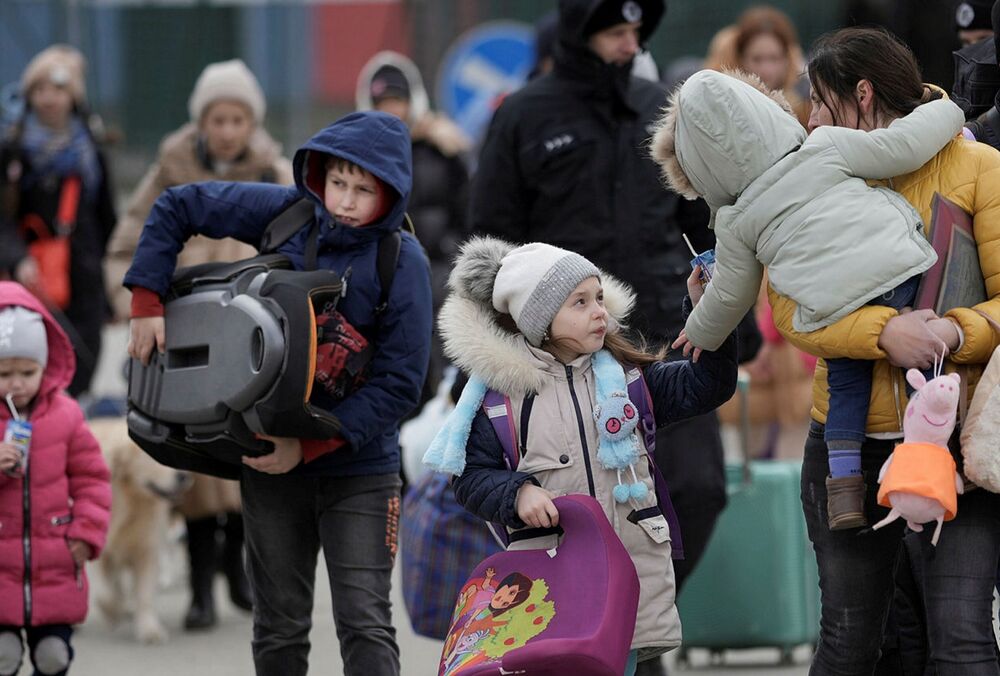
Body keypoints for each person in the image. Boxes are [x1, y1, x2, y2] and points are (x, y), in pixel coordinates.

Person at [469, 13, 749, 674]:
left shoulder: (660, 109)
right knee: (573, 512)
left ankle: (629, 626)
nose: (632, 43)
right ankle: (591, 638)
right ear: (578, 32)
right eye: (614, 31)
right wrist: (491, 360)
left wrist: (728, 313)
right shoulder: (524, 117)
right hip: (554, 357)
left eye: (638, 30)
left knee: (701, 488)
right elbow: (489, 244)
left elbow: (702, 224)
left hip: (657, 347)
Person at [123, 111, 432, 676]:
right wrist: (145, 299)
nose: (344, 199)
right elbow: (178, 204)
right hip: (269, 465)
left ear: (390, 194)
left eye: (363, 190)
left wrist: (310, 448)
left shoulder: (401, 260)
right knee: (279, 627)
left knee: (364, 623)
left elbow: (400, 384)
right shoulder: (289, 212)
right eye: (338, 182)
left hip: (360, 472)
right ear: (319, 175)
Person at [767, 27, 1000, 675]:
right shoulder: (810, 174)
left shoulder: (978, 167)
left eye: (819, 101)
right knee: (850, 639)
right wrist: (882, 334)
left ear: (861, 95)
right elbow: (789, 309)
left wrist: (954, 330)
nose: (810, 118)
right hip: (847, 447)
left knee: (962, 634)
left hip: (955, 444)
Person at [654, 69, 964, 530]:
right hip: (899, 271)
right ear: (768, 114)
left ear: (698, 169)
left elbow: (732, 293)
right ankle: (931, 460)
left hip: (837, 307)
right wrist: (949, 109)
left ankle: (844, 492)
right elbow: (903, 145)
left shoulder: (736, 222)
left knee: (847, 385)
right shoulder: (826, 147)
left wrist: (699, 329)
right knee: (927, 371)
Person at [425, 237, 738, 675]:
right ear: (540, 320)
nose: (600, 311)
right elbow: (470, 477)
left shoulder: (629, 382)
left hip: (625, 585)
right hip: (547, 592)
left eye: (598, 298)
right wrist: (516, 495)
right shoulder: (502, 401)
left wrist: (709, 314)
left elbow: (708, 385)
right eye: (580, 302)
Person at [104, 58, 293, 631]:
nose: (228, 129)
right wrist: (141, 307)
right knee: (192, 465)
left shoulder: (275, 172)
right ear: (202, 121)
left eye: (238, 118)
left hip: (255, 341)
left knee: (245, 454)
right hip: (185, 340)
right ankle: (199, 586)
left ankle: (237, 570)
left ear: (250, 122)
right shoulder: (170, 170)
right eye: (218, 118)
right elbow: (126, 245)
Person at [0, 281, 111, 676]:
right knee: (4, 655)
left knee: (53, 657)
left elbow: (92, 480)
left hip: (56, 559)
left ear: (45, 366)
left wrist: (86, 532)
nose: (17, 383)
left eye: (27, 372)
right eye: (5, 373)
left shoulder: (66, 416)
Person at [355, 51, 470, 414]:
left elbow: (469, 211)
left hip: (436, 268)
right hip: (383, 275)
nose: (392, 111)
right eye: (382, 102)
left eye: (398, 101)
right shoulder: (358, 153)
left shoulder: (443, 151)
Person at [0, 45, 117, 397]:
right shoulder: (13, 148)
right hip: (29, 276)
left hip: (83, 275)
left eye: (58, 89)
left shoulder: (91, 150)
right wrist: (17, 257)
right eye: (39, 89)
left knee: (83, 358)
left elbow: (107, 218)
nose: (48, 98)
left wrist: (112, 288)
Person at [716, 6, 811, 127]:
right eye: (757, 59)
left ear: (787, 59)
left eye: (774, 58)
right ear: (741, 59)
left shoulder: (808, 104)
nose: (766, 69)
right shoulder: (723, 104)